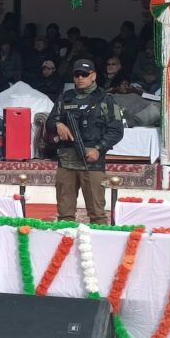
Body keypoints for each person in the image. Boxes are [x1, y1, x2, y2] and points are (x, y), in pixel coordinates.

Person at [45, 60, 124, 224]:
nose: (80, 78)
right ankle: (66, 246)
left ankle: (100, 248)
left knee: (97, 214)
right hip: (67, 161)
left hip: (92, 161)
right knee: (65, 214)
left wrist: (98, 149)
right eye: (77, 74)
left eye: (84, 74)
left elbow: (116, 131)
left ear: (93, 76)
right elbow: (50, 121)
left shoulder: (106, 99)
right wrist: (58, 124)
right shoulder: (65, 98)